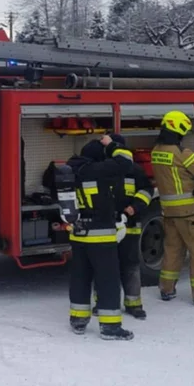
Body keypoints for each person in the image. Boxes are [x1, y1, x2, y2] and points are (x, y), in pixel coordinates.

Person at [66, 136, 138, 341]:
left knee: (80, 277)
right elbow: (125, 160)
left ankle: (78, 320)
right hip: (101, 235)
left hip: (79, 234)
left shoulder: (71, 170)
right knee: (108, 280)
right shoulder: (98, 170)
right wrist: (112, 145)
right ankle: (110, 326)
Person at [152, 110, 194, 306]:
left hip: (169, 212)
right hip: (190, 212)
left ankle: (166, 289)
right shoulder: (183, 153)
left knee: (173, 249)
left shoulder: (156, 150)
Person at [109, 133, 154, 320]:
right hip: (108, 226)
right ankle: (104, 303)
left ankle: (134, 304)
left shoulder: (135, 170)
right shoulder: (104, 168)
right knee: (107, 266)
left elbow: (146, 191)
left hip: (130, 226)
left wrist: (134, 207)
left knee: (131, 265)